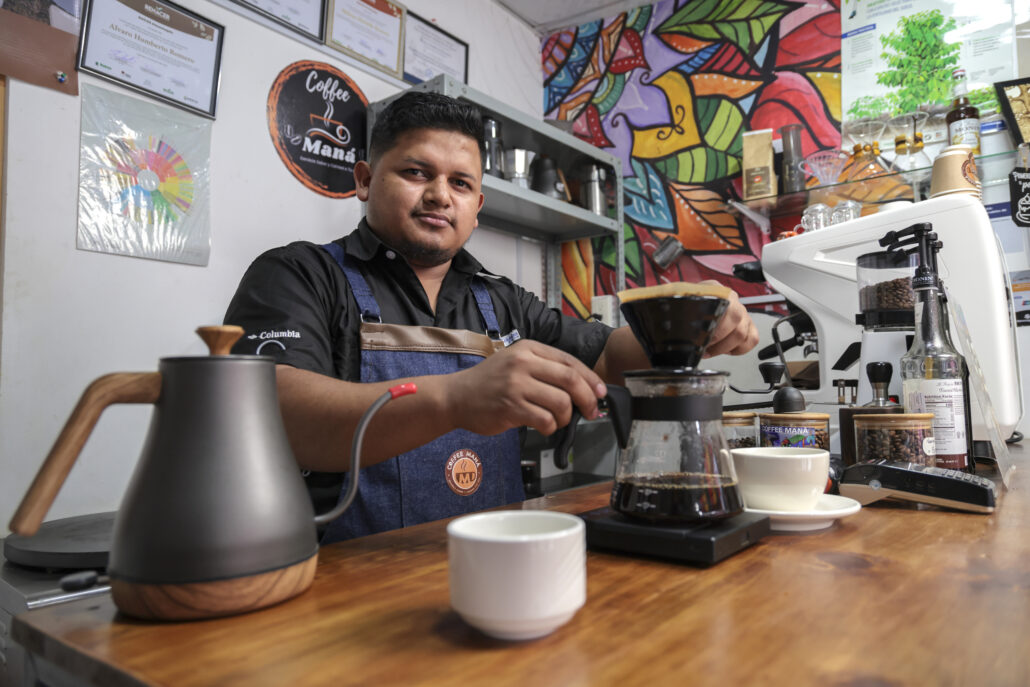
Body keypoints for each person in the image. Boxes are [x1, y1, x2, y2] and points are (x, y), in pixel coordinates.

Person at [224, 91, 758, 543]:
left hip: (501, 566)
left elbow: (610, 356)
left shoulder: (500, 301)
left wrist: (691, 320)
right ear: (364, 179)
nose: (439, 195)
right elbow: (270, 415)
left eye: (460, 184)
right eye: (415, 172)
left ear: (477, 206)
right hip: (347, 589)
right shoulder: (298, 274)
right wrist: (456, 398)